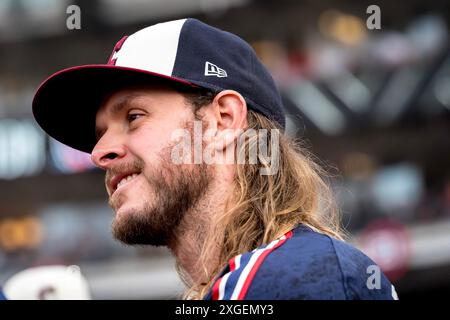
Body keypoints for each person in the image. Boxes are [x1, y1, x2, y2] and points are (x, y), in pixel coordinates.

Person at [32, 18, 398, 300]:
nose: (99, 154)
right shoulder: (278, 275)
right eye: (99, 134)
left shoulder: (293, 274)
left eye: (133, 117)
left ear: (222, 120)